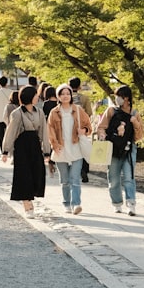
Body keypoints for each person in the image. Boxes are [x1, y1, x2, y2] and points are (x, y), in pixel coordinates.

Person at [1, 86, 51, 218]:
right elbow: (10, 132)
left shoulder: (39, 112)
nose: (37, 97)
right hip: (22, 146)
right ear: (30, 96)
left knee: (37, 174)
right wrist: (5, 150)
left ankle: (30, 199)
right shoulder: (17, 113)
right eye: (35, 95)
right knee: (24, 176)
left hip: (35, 146)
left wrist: (47, 151)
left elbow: (44, 133)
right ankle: (27, 205)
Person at [97, 85, 144, 216]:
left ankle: (131, 203)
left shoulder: (135, 113)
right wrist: (102, 135)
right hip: (113, 148)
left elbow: (140, 136)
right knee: (114, 178)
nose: (117, 99)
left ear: (127, 98)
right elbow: (101, 127)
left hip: (129, 149)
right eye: (116, 96)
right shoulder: (111, 111)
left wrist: (135, 122)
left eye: (120, 96)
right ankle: (117, 203)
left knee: (129, 177)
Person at [47, 83, 92, 215]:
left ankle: (76, 203)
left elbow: (89, 126)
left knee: (75, 178)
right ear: (58, 96)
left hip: (76, 147)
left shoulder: (78, 110)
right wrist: (54, 145)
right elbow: (50, 131)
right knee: (65, 180)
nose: (65, 96)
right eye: (62, 94)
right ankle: (66, 203)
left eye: (68, 93)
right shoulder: (54, 112)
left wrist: (83, 130)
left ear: (71, 95)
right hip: (60, 149)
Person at [69, 77, 94, 182]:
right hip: (81, 128)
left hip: (69, 127)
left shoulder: (65, 98)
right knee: (83, 148)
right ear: (79, 86)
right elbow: (89, 113)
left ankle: (73, 169)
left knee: (71, 148)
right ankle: (84, 170)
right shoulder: (84, 98)